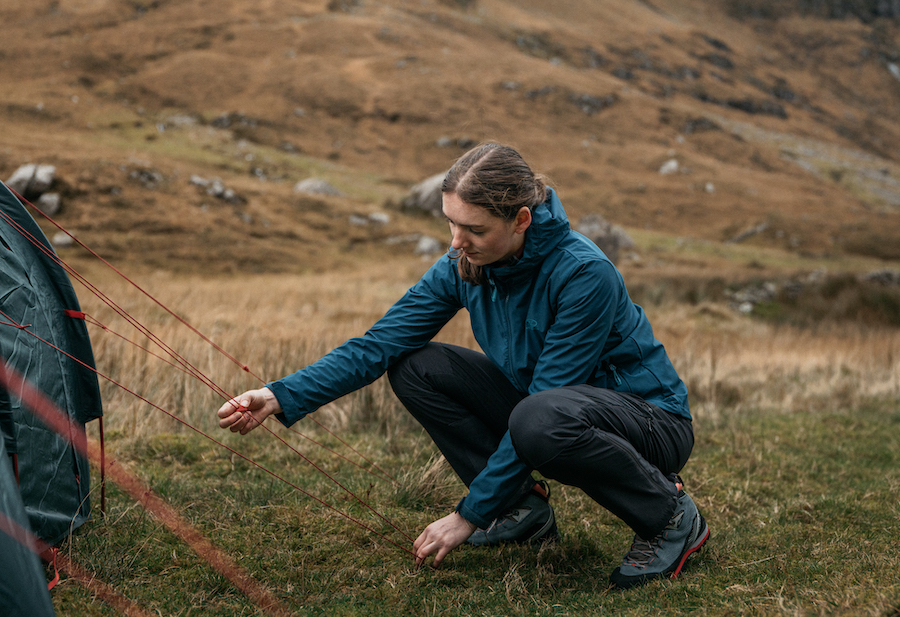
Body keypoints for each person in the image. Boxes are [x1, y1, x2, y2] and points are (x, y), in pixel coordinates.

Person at [218, 143, 709, 588]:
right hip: (547, 411)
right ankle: (519, 508)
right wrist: (281, 393)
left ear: (521, 220)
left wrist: (468, 515)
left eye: (474, 229)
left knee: (540, 416)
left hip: (650, 423)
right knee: (415, 365)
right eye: (451, 223)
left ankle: (669, 517)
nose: (456, 241)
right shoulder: (463, 265)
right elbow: (378, 345)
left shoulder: (584, 274)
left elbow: (550, 398)